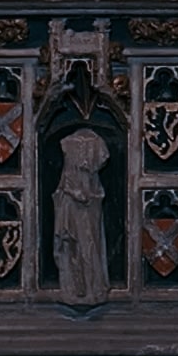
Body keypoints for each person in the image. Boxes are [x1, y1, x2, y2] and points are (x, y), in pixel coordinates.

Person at [51, 128, 109, 308]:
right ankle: (75, 287)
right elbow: (65, 184)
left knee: (89, 244)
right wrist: (71, 193)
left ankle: (92, 288)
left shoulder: (97, 144)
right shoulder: (67, 144)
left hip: (89, 203)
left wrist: (82, 194)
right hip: (69, 204)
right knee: (71, 245)